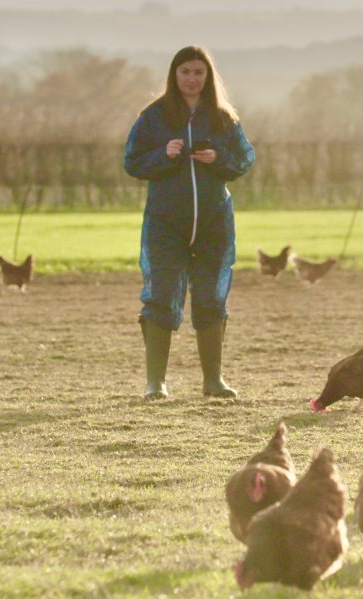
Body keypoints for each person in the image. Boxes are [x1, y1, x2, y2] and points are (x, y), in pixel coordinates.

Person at [124, 46, 255, 400]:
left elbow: (244, 160)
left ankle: (213, 381)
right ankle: (156, 384)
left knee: (212, 296)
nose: (192, 79)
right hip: (165, 225)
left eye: (199, 72)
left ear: (208, 76)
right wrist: (162, 154)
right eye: (185, 72)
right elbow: (132, 162)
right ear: (174, 75)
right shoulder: (153, 117)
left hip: (214, 223)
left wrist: (218, 157)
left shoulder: (224, 118)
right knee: (161, 296)